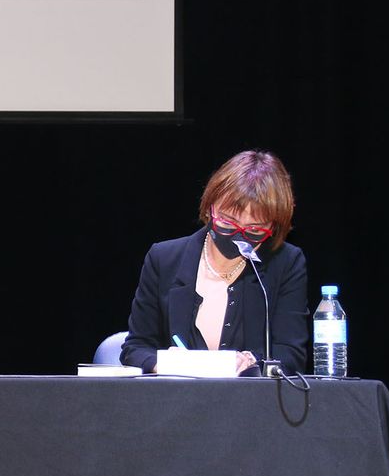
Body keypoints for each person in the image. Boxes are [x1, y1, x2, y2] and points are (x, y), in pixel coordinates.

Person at [121, 150, 309, 375]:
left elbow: (291, 354)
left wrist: (254, 362)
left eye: (254, 230)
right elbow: (135, 348)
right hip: (176, 395)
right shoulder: (164, 259)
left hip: (250, 396)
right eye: (228, 222)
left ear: (273, 227)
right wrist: (166, 364)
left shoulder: (287, 263)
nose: (238, 236)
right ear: (210, 208)